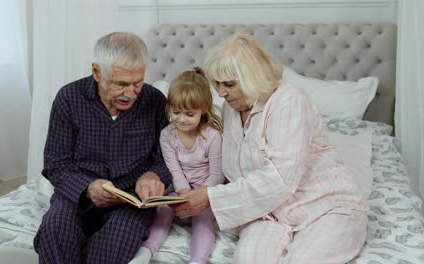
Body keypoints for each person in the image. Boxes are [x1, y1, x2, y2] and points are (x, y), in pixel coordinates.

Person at [173, 34, 368, 264]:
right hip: (267, 213)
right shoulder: (230, 109)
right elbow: (231, 168)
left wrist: (211, 197)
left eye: (229, 84)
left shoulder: (289, 100)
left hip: (324, 207)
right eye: (217, 83)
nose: (221, 93)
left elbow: (281, 178)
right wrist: (191, 191)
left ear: (252, 78)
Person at [33, 32, 172, 264]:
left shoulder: (155, 101)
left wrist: (152, 175)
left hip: (130, 201)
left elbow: (166, 160)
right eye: (121, 84)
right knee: (54, 230)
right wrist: (88, 187)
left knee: (115, 243)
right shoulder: (69, 98)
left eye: (137, 83)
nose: (130, 94)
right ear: (97, 72)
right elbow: (55, 164)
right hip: (76, 196)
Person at [129, 67, 226, 264]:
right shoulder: (167, 135)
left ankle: (197, 260)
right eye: (176, 112)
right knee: (163, 206)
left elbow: (218, 174)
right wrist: (183, 193)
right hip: (181, 190)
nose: (181, 119)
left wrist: (200, 196)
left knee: (203, 216)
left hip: (207, 191)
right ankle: (147, 251)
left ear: (204, 110)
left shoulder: (213, 137)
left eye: (189, 114)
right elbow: (174, 169)